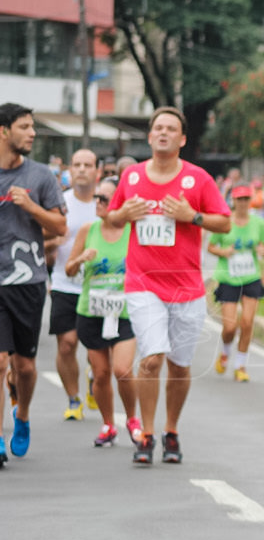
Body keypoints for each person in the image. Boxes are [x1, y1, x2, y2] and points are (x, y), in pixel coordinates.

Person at [106, 106, 231, 465]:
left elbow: (223, 223)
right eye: (157, 128)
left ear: (182, 139)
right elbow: (112, 215)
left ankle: (171, 429)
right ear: (149, 136)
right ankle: (146, 434)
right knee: (152, 358)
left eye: (170, 129)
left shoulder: (199, 179)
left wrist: (190, 216)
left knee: (178, 364)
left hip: (187, 288)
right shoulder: (130, 177)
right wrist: (123, 215)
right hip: (143, 283)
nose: (163, 133)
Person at [0, 103, 69, 466]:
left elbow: (60, 228)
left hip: (28, 281)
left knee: (24, 367)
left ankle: (22, 416)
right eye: (25, 127)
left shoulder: (41, 176)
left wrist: (30, 207)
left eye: (32, 127)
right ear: (3, 131)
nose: (32, 133)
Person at [63, 177, 141, 447]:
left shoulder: (133, 231)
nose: (98, 203)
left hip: (124, 311)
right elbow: (68, 269)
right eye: (97, 197)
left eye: (105, 199)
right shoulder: (88, 230)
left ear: (118, 203)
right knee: (101, 373)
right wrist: (80, 260)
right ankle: (108, 424)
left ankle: (132, 419)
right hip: (92, 311)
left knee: (122, 370)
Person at [48, 148, 101, 421]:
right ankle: (73, 398)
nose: (81, 169)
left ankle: (96, 378)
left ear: (97, 171)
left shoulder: (104, 206)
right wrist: (52, 244)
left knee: (97, 350)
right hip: (64, 283)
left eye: (87, 165)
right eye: (77, 165)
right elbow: (43, 242)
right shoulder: (60, 204)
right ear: (70, 169)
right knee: (67, 344)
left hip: (100, 287)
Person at [208, 185, 264, 382]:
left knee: (247, 322)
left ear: (250, 201)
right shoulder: (225, 222)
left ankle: (240, 365)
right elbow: (211, 246)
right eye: (239, 199)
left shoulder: (258, 223)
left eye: (246, 199)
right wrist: (223, 252)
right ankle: (226, 352)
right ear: (233, 201)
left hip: (251, 276)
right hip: (229, 277)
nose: (243, 203)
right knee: (229, 327)